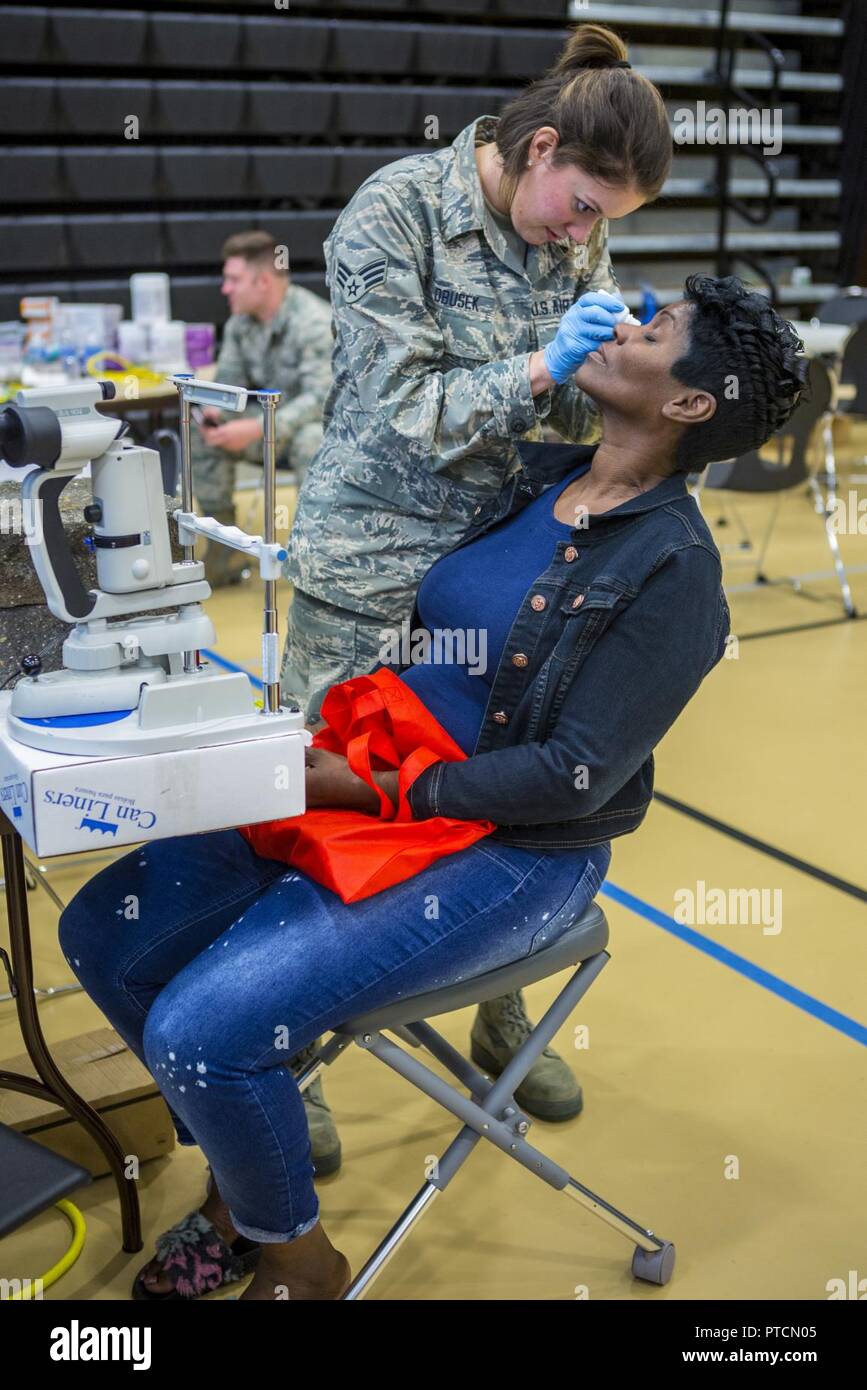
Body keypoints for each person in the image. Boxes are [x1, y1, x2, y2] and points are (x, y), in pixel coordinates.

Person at [57, 275, 807, 1300]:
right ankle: (246, 1175)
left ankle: (298, 1256)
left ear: (688, 403)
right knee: (103, 931)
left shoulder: (677, 575)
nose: (624, 324)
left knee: (202, 1032)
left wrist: (375, 791)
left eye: (653, 326)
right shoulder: (534, 481)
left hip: (512, 848)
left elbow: (569, 776)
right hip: (380, 781)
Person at [280, 20, 672, 1148]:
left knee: (478, 801)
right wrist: (549, 361)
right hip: (369, 568)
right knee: (322, 799)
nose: (586, 236)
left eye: (606, 224)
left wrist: (607, 367)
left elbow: (548, 413)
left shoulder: (569, 238)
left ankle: (498, 1008)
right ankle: (287, 1054)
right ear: (541, 145)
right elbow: (411, 415)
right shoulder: (392, 213)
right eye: (586, 205)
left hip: (496, 574)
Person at [191, 229, 332, 587]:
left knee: (311, 440)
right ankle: (225, 544)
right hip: (270, 428)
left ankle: (318, 554)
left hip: (319, 430)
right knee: (199, 432)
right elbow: (228, 385)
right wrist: (215, 415)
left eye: (233, 280)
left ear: (264, 281)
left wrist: (255, 429)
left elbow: (321, 401)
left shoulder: (313, 323)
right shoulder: (241, 323)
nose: (225, 289)